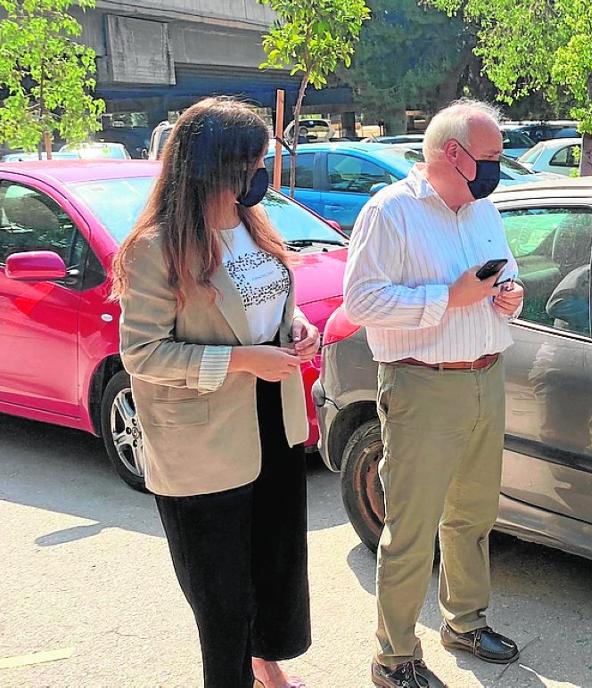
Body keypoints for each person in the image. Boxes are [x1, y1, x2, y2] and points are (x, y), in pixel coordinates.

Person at [112, 97, 320, 688]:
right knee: (221, 599)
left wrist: (294, 326)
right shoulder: (157, 249)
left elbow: (268, 302)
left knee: (270, 567)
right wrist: (245, 360)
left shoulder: (254, 224)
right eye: (256, 161)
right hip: (202, 442)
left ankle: (264, 664)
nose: (264, 172)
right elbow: (142, 354)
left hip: (270, 422)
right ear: (218, 165)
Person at [343, 99, 525, 688]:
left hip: (484, 376)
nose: (502, 166)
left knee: (472, 516)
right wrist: (447, 299)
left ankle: (465, 623)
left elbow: (505, 270)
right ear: (454, 154)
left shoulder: (481, 210)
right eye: (493, 156)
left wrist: (510, 294)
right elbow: (361, 303)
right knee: (411, 528)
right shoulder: (390, 213)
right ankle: (394, 658)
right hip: (422, 383)